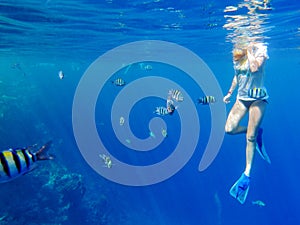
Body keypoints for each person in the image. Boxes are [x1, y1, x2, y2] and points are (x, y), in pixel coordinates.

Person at [223, 42, 271, 204]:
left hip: (258, 99)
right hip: (241, 99)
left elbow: (254, 68)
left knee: (250, 137)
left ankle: (247, 174)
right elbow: (237, 74)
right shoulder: (236, 50)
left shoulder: (261, 48)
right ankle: (256, 131)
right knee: (229, 129)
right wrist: (230, 92)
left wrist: (250, 49)